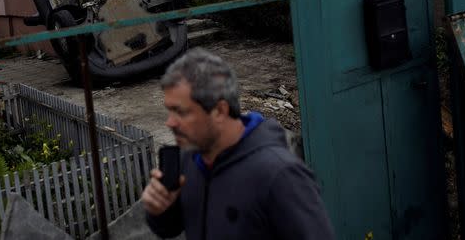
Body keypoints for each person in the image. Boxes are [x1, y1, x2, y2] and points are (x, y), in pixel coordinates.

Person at [142, 48, 334, 239]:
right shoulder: (189, 158)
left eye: (181, 112)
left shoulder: (280, 175)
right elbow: (172, 228)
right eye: (169, 111)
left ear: (219, 110)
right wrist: (160, 210)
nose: (170, 122)